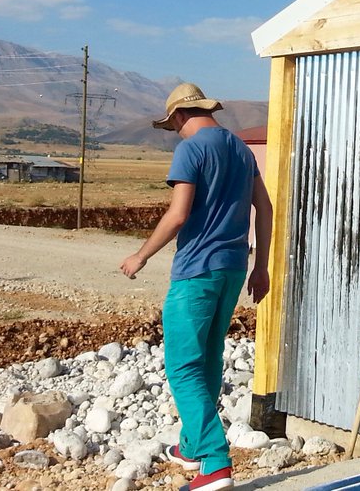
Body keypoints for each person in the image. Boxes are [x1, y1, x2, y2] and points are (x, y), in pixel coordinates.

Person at [121, 82, 274, 491]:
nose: (175, 133)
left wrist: (141, 255)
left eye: (172, 126)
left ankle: (215, 463)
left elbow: (178, 215)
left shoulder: (190, 149)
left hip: (195, 272)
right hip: (233, 269)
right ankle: (191, 447)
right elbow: (266, 207)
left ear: (177, 117)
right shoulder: (240, 149)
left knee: (183, 366)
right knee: (207, 357)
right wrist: (261, 267)